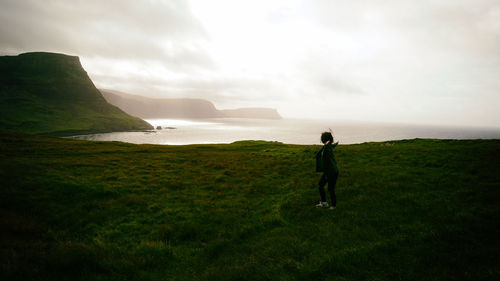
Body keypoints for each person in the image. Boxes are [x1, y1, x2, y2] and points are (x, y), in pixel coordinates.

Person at [315, 131, 339, 209]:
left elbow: (326, 159)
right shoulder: (328, 146)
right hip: (332, 170)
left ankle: (333, 205)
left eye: (322, 138)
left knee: (330, 188)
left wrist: (327, 174)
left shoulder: (327, 148)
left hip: (331, 171)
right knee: (321, 185)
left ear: (324, 139)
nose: (321, 139)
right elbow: (332, 145)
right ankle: (325, 203)